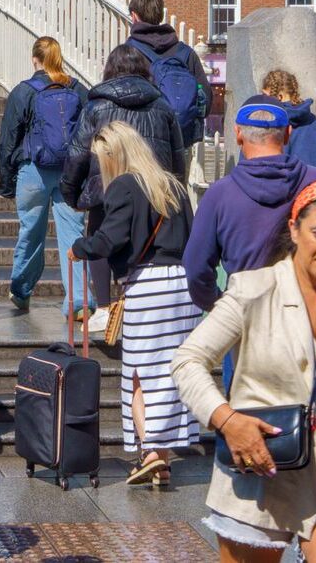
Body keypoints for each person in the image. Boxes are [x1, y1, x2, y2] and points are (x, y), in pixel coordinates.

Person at [172, 178, 316, 562]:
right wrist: (227, 420)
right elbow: (188, 360)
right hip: (263, 459)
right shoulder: (253, 290)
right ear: (294, 229)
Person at [73, 121, 199, 487]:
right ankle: (164, 459)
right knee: (171, 374)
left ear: (114, 156)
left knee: (139, 375)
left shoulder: (125, 186)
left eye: (102, 160)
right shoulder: (173, 186)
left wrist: (80, 247)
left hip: (149, 287)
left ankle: (153, 454)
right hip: (184, 285)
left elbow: (109, 240)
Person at [61, 43, 187, 327]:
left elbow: (78, 153)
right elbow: (178, 155)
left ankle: (105, 308)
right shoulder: (162, 106)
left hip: (104, 186)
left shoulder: (97, 106)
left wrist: (72, 193)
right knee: (146, 244)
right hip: (154, 189)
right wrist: (174, 188)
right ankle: (133, 301)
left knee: (101, 235)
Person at [183, 97, 316, 312]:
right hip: (307, 317)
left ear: (238, 134)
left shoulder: (219, 194)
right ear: (288, 134)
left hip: (245, 316)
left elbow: (196, 269)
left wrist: (222, 306)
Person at [0, 36, 88, 315]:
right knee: (73, 232)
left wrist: (6, 180)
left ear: (34, 58)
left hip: (32, 171)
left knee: (30, 232)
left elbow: (8, 139)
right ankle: (79, 300)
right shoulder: (76, 88)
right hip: (70, 170)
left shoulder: (24, 91)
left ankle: (22, 290)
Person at [126, 0, 210, 146]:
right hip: (178, 143)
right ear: (161, 16)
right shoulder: (186, 53)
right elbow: (206, 102)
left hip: (140, 144)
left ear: (134, 16)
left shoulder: (127, 53)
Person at [262, 68, 316, 176]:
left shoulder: (262, 124)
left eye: (264, 95)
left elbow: (247, 169)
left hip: (276, 191)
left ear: (278, 97)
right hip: (313, 190)